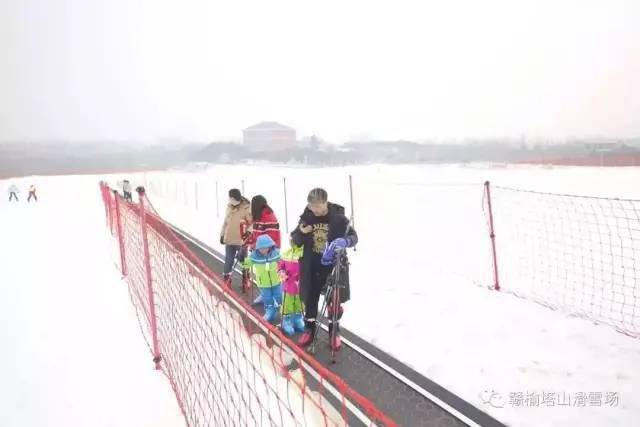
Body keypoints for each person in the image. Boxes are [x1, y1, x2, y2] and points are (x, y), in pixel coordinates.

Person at [291, 188, 358, 350]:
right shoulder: (306, 217)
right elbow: (294, 240)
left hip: (333, 267)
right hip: (311, 265)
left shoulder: (339, 218)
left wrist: (346, 241)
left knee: (333, 301)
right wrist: (300, 232)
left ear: (326, 202)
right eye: (312, 207)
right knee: (310, 299)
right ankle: (309, 328)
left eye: (318, 207)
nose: (315, 210)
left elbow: (354, 237)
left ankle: (334, 331)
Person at [242, 234, 283, 322]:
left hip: (276, 280)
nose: (263, 250)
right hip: (263, 283)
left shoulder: (275, 253)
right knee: (267, 297)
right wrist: (242, 259)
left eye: (265, 248)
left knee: (279, 295)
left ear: (269, 246)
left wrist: (284, 270)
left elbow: (282, 262)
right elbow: (246, 265)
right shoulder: (254, 256)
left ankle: (284, 311)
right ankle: (270, 310)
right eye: (261, 248)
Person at [219, 188, 251, 283]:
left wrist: (248, 232)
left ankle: (246, 278)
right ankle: (226, 279)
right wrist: (222, 234)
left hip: (241, 240)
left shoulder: (246, 208)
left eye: (230, 198)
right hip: (229, 239)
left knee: (243, 260)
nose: (229, 200)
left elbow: (252, 223)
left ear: (234, 198)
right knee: (229, 260)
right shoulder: (229, 207)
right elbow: (226, 222)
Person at [277, 243, 306, 335]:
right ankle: (287, 321)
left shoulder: (306, 253)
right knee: (287, 304)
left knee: (300, 303)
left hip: (300, 286)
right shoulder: (286, 253)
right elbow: (280, 265)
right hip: (288, 285)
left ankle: (298, 319)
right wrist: (281, 272)